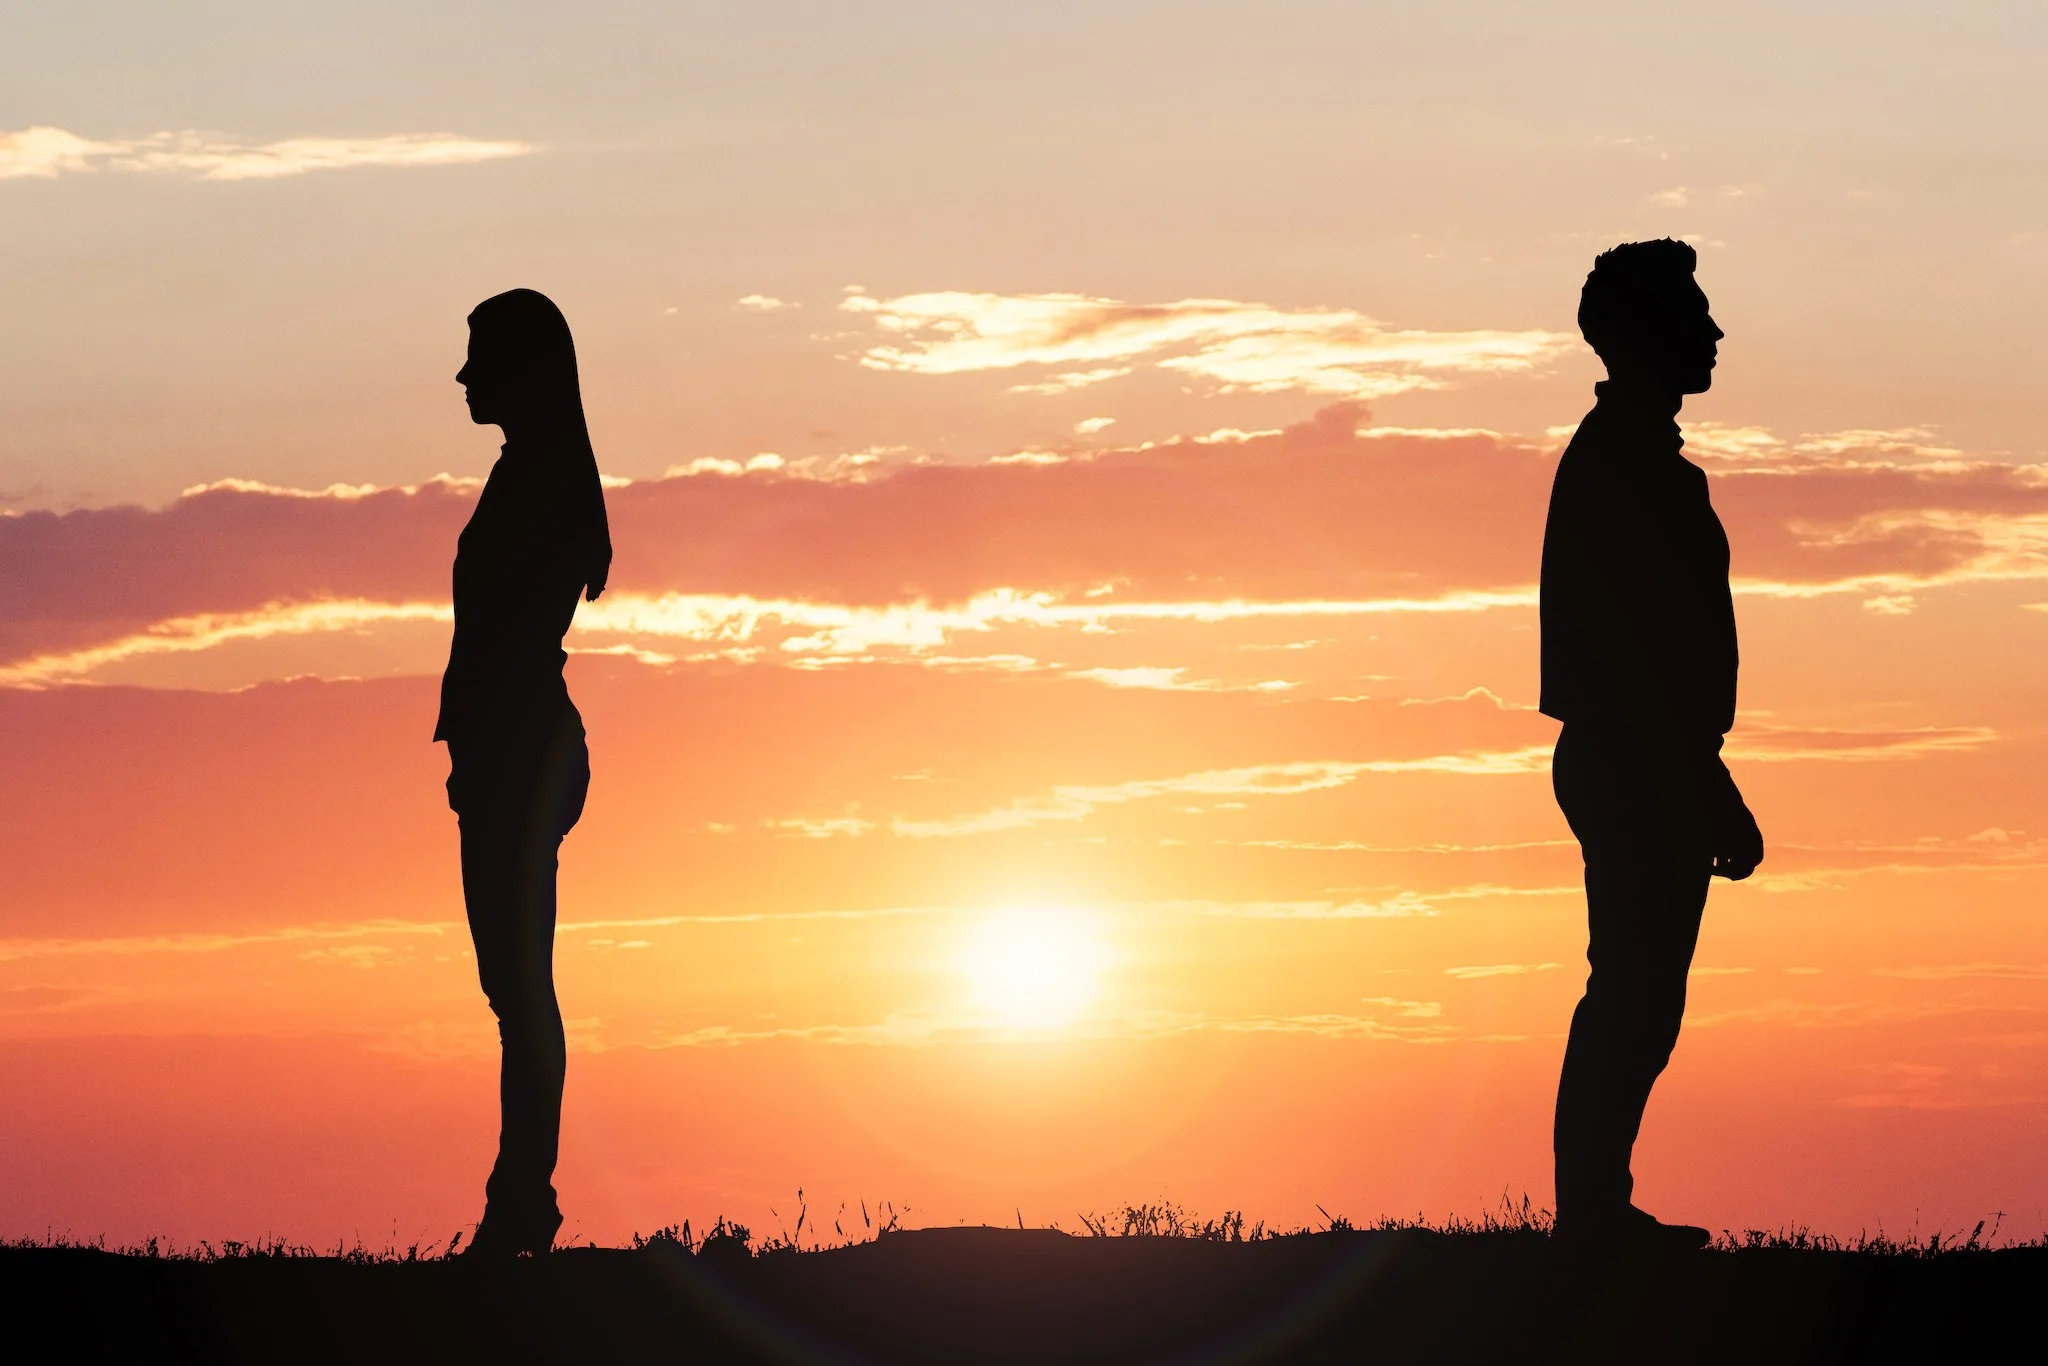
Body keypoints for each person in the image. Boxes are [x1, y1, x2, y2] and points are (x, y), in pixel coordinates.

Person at [1539, 239, 1764, 1255]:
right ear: (1643, 332)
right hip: (1635, 757)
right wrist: (1700, 779)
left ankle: (1595, 1203)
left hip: (1644, 755)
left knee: (1639, 988)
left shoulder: (1632, 457)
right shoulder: (1620, 463)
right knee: (1631, 986)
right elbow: (1631, 653)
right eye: (1694, 314)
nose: (1712, 331)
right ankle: (1588, 1212)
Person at [436, 289, 611, 1258]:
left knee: (518, 990)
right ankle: (520, 1199)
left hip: (523, 752)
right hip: (513, 750)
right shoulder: (531, 474)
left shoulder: (538, 481)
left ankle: (521, 1204)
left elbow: (505, 638)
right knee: (511, 986)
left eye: (477, 357)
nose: (462, 377)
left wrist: (481, 753)